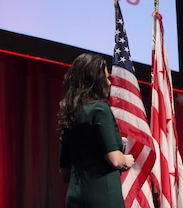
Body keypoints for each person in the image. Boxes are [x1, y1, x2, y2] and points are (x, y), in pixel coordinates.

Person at [57, 52, 135, 208]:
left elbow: (64, 173)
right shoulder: (100, 109)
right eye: (106, 78)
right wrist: (127, 159)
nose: (109, 83)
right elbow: (115, 159)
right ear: (95, 81)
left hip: (75, 198)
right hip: (103, 197)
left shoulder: (69, 114)